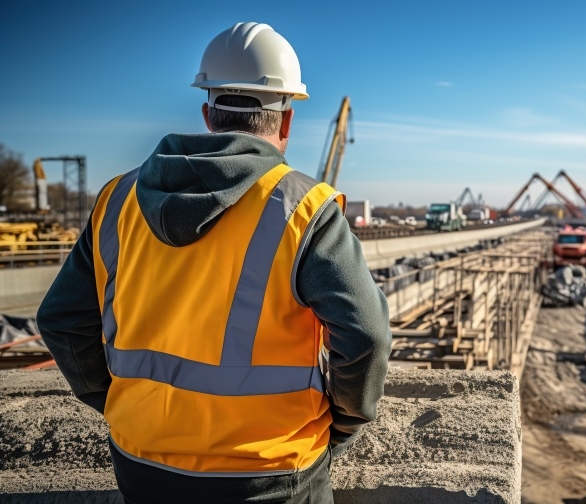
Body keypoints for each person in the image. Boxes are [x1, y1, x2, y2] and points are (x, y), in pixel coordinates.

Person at [37, 22, 391, 504]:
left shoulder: (117, 201)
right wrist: (342, 424)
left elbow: (60, 321)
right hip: (272, 474)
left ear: (208, 114)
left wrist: (121, 405)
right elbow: (366, 335)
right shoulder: (305, 209)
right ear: (286, 122)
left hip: (142, 464)